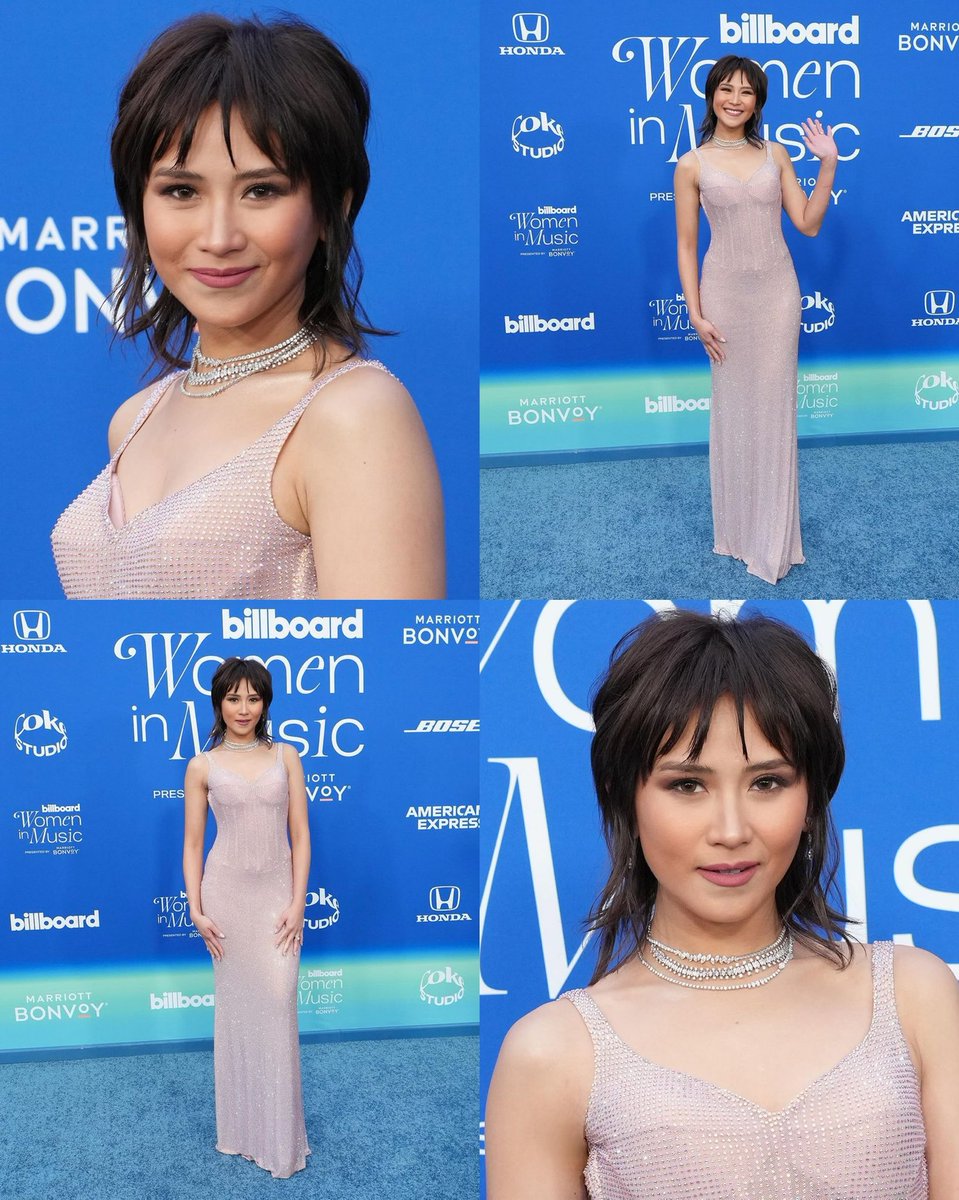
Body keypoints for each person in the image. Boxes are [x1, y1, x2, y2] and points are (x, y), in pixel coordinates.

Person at [485, 609, 958, 1199]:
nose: (731, 829)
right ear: (622, 795)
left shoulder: (916, 995)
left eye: (768, 782)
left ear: (812, 796)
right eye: (687, 785)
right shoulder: (553, 1052)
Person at [51, 13, 444, 600]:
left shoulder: (355, 415)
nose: (218, 235)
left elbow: (387, 682)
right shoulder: (134, 419)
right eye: (181, 191)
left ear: (334, 207)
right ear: (138, 204)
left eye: (262, 191)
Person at [673, 56, 838, 584]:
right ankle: (739, 532)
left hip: (776, 293)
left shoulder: (778, 154)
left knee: (774, 409)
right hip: (724, 294)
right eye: (726, 89)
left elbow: (808, 226)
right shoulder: (691, 164)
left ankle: (772, 538)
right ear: (711, 96)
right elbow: (686, 243)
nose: (735, 99)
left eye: (746, 92)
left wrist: (828, 163)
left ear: (758, 101)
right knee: (734, 409)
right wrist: (696, 313)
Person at [183, 657, 311, 1179]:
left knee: (277, 1006)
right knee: (237, 1015)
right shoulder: (201, 766)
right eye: (233, 698)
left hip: (278, 899)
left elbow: (300, 836)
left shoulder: (287, 756)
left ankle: (279, 1141)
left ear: (266, 703)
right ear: (218, 703)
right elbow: (193, 843)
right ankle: (240, 1132)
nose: (243, 708)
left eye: (252, 698)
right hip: (226, 897)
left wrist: (298, 901)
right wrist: (196, 907)